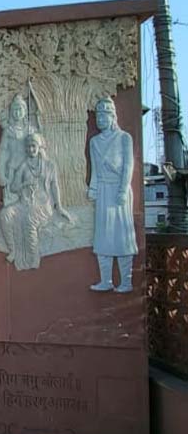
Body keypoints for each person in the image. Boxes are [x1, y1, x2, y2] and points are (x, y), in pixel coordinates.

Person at [0, 133, 72, 270]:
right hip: (25, 203)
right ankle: (13, 250)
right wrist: (24, 184)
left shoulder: (49, 165)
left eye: (33, 146)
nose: (30, 149)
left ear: (39, 147)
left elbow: (55, 186)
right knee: (5, 214)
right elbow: (13, 187)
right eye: (28, 147)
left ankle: (33, 259)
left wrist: (59, 207)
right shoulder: (24, 166)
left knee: (29, 220)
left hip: (43, 205)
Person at [88, 97, 137, 293]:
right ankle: (106, 280)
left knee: (122, 236)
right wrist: (93, 189)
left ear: (112, 116)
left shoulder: (124, 138)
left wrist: (123, 190)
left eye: (104, 115)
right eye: (98, 116)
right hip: (103, 190)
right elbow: (94, 169)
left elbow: (128, 166)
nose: (100, 119)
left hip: (118, 191)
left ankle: (126, 282)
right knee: (103, 236)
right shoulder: (94, 142)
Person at [0, 89, 36, 205]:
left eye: (20, 109)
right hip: (12, 170)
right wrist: (1, 174)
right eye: (15, 109)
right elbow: (2, 152)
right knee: (13, 203)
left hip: (28, 170)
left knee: (30, 201)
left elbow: (39, 150)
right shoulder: (8, 131)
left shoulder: (30, 130)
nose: (17, 112)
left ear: (25, 111)